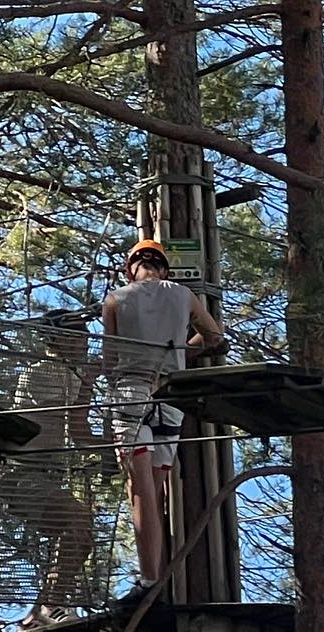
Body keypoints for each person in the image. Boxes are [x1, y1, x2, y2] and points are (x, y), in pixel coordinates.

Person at [101, 238, 225, 606]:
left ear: (130, 269)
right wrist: (182, 351)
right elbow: (215, 336)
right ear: (164, 269)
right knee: (153, 493)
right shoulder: (183, 295)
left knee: (139, 493)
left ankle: (149, 581)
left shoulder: (115, 300)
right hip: (170, 399)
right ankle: (154, 578)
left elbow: (110, 360)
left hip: (130, 393)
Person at [6, 310, 96, 630]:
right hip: (20, 474)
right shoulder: (44, 372)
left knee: (80, 535)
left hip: (43, 475)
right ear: (55, 340)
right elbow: (77, 425)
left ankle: (39, 613)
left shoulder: (68, 373)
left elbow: (80, 431)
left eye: (86, 332)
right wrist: (92, 378)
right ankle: (53, 605)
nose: (85, 340)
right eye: (77, 334)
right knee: (77, 520)